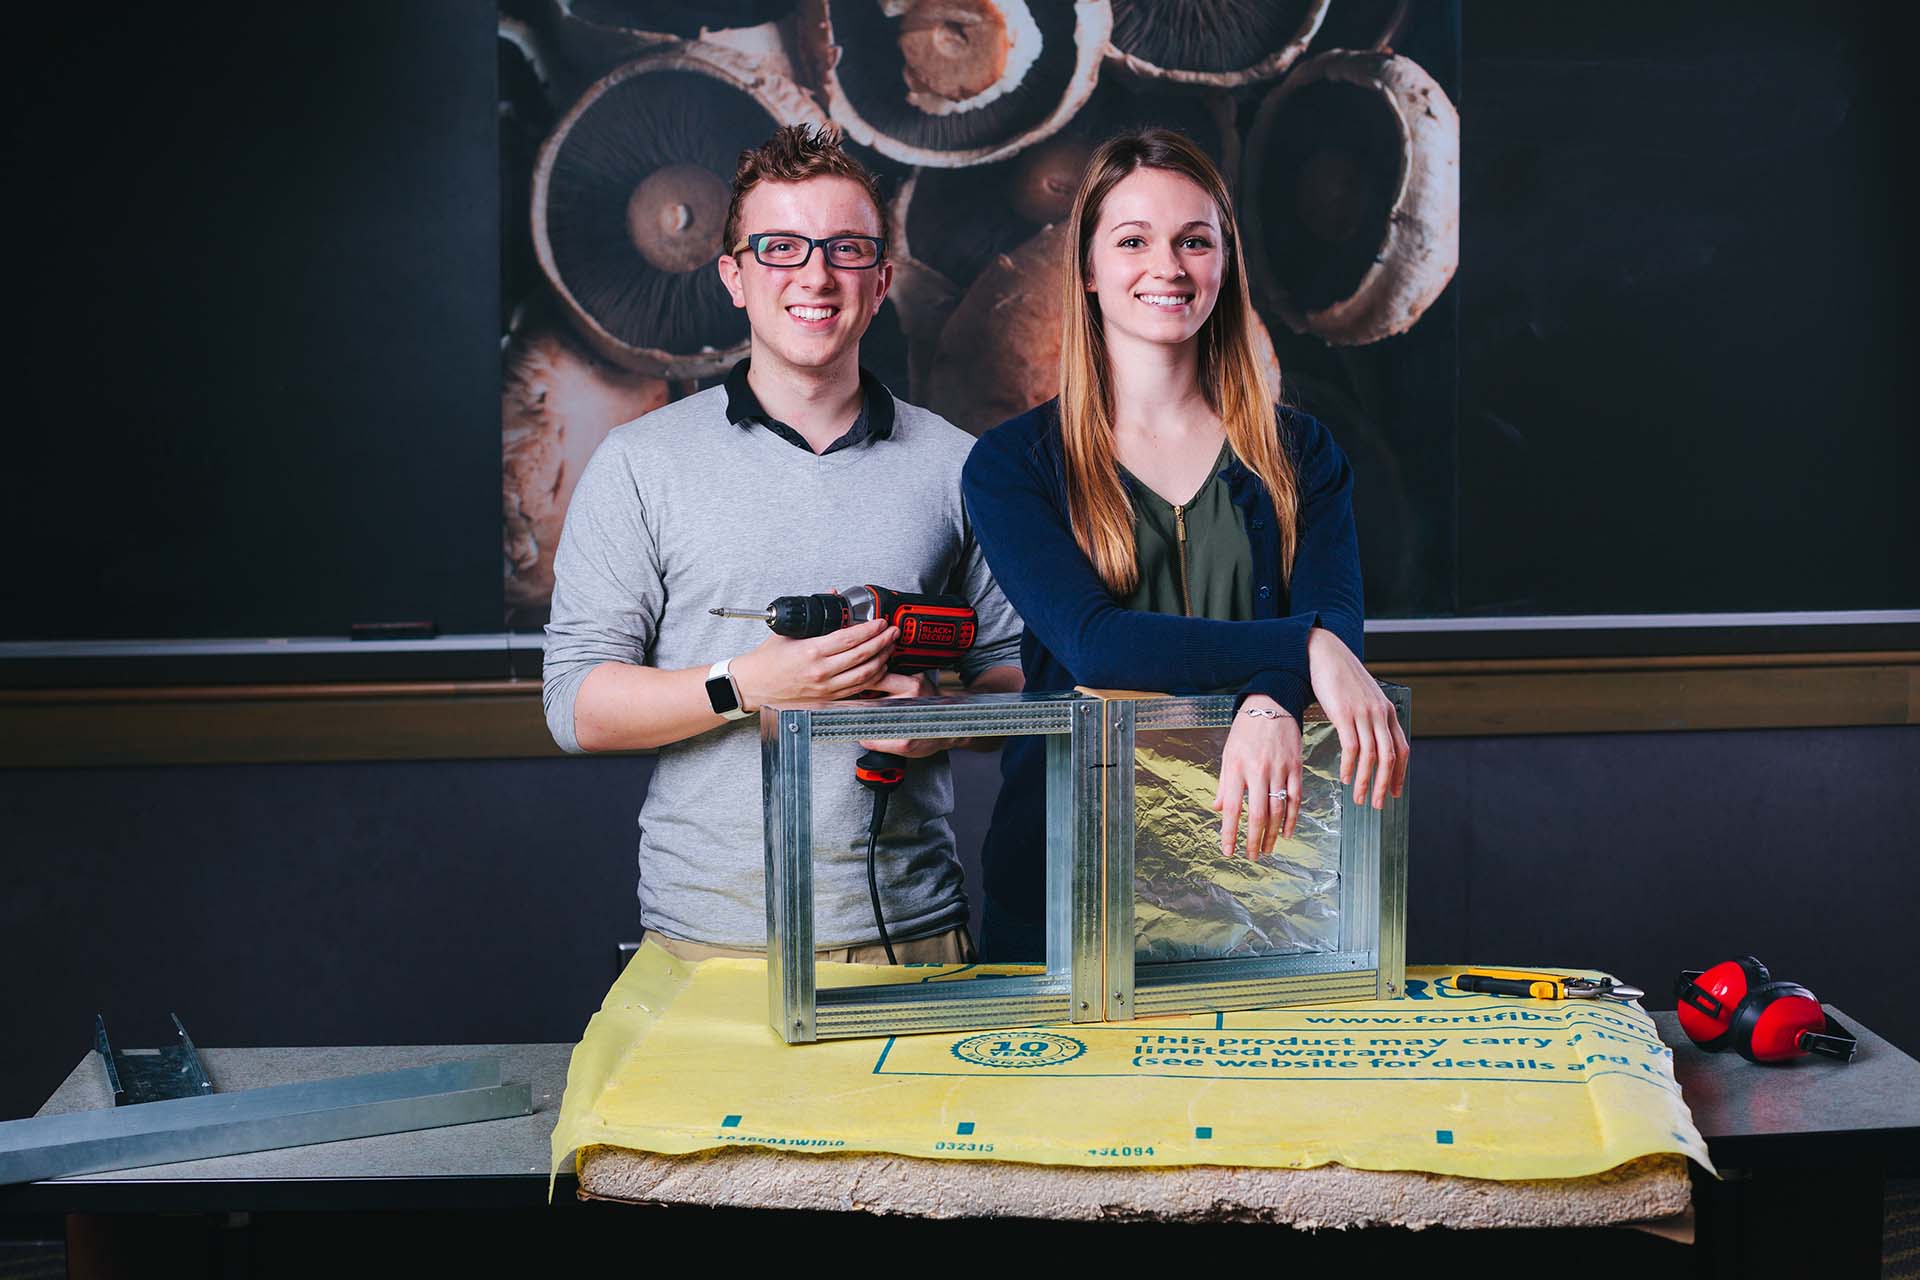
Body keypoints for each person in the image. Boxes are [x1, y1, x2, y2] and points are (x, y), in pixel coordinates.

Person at [543, 124, 1023, 964]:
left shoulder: (961, 466)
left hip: (910, 934)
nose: (815, 274)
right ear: (734, 276)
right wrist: (746, 684)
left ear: (880, 281)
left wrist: (938, 719)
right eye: (780, 247)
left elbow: (1020, 686)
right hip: (703, 940)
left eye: (846, 249)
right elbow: (576, 705)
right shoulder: (640, 462)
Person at [961, 128, 1408, 960]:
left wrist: (1273, 696)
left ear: (1224, 265)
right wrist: (1304, 649)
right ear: (1088, 270)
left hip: (1268, 889)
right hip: (1068, 890)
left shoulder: (1303, 454)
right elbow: (1097, 645)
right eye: (1133, 241)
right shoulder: (1011, 464)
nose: (1167, 266)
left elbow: (1336, 621)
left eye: (1194, 241)